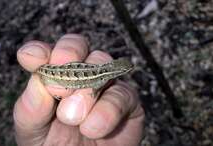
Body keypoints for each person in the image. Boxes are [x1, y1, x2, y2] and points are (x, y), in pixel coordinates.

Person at [13, 34, 145, 146]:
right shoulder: (103, 78)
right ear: (118, 72)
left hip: (53, 76)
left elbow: (93, 85)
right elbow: (94, 88)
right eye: (126, 70)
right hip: (52, 78)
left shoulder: (101, 69)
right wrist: (95, 93)